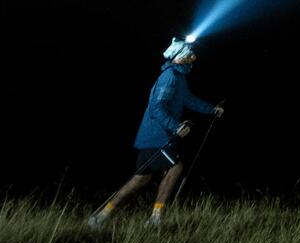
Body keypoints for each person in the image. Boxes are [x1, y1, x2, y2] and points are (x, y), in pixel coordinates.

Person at [88, 38, 223, 228]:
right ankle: (155, 218)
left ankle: (101, 216)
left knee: (139, 180)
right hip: (157, 137)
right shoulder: (170, 77)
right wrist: (176, 127)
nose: (194, 57)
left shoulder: (179, 77)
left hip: (153, 137)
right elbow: (156, 108)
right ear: (180, 56)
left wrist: (211, 109)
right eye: (190, 54)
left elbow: (188, 100)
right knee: (176, 168)